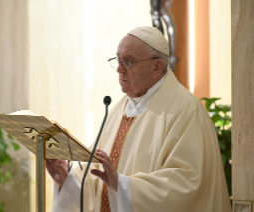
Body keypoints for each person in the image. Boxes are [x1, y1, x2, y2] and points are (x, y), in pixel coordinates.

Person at [46, 26, 231, 212]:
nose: (119, 69)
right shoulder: (120, 108)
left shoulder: (186, 110)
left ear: (157, 67)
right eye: (118, 60)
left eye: (129, 61)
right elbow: (96, 177)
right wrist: (69, 180)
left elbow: (187, 186)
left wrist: (122, 184)